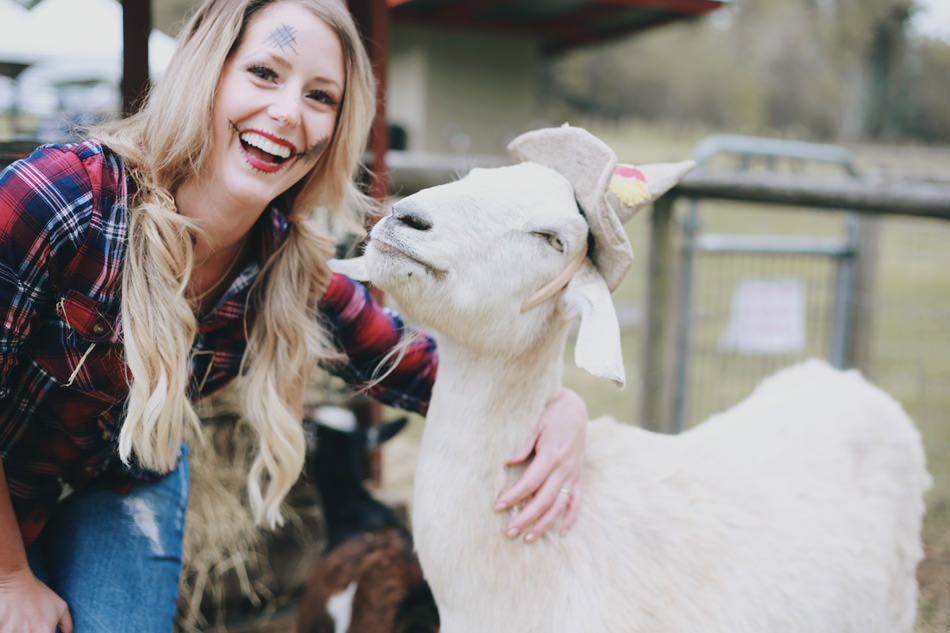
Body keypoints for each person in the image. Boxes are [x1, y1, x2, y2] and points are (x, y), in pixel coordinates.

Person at [0, 1, 589, 631]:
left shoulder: (286, 266)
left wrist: (561, 408)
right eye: (263, 73)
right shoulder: (63, 200)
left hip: (117, 477)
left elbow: (418, 371)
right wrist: (12, 577)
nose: (287, 114)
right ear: (208, 73)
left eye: (321, 97)